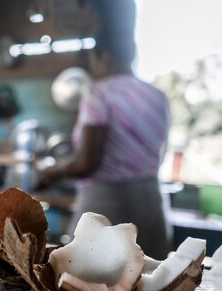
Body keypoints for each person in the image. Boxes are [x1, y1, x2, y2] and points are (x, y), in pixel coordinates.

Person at [40, 39, 171, 259]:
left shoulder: (99, 93)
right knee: (150, 280)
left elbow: (86, 163)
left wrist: (56, 170)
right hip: (152, 202)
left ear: (104, 57)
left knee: (89, 282)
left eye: (93, 59)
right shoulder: (158, 95)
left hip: (108, 204)